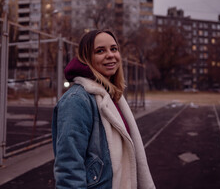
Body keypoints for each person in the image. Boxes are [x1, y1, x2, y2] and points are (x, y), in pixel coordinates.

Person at [52, 30, 155, 189]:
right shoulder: (77, 100)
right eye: (100, 51)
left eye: (114, 49)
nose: (110, 55)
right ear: (86, 58)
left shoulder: (114, 96)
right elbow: (69, 168)